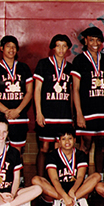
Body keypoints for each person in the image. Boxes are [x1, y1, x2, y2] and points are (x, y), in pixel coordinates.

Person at [71, 26, 104, 175]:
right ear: (85, 40)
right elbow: (75, 89)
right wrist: (78, 113)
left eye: (97, 40)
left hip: (103, 109)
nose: (95, 43)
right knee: (85, 144)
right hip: (87, 109)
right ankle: (81, 178)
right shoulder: (79, 60)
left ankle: (99, 177)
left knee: (102, 145)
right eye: (91, 40)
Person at [0, 35, 34, 153]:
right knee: (0, 150)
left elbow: (29, 92)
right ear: (1, 48)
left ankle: (17, 172)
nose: (11, 49)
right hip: (1, 116)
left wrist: (18, 110)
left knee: (18, 153)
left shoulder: (23, 68)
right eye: (8, 46)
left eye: (14, 47)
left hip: (19, 117)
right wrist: (6, 111)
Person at [34, 34, 74, 178]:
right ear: (53, 48)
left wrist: (72, 115)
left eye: (64, 46)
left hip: (64, 116)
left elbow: (71, 92)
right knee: (44, 148)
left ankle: (58, 181)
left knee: (61, 149)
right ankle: (39, 179)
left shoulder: (70, 67)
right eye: (58, 45)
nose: (61, 49)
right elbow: (37, 89)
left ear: (68, 49)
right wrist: (39, 112)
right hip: (47, 114)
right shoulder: (43, 64)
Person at [31, 129, 101, 206]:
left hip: (76, 189)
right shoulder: (52, 155)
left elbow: (80, 177)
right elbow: (54, 179)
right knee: (35, 180)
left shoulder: (80, 155)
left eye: (70, 138)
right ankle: (68, 200)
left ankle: (67, 200)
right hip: (57, 190)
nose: (67, 141)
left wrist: (72, 191)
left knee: (97, 176)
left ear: (74, 140)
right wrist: (64, 195)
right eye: (63, 139)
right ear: (59, 141)